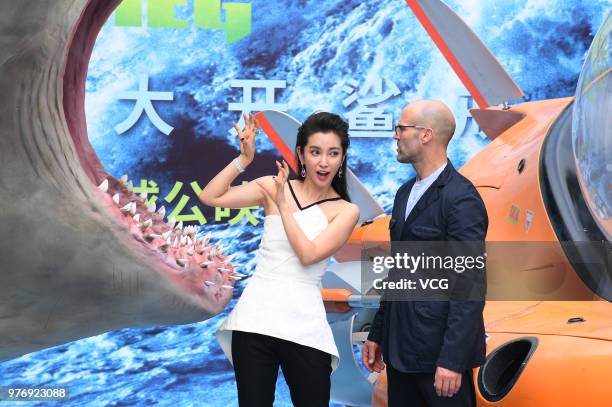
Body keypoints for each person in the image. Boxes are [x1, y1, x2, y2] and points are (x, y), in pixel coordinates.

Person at [200, 112, 360, 407]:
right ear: (300, 153)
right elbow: (211, 197)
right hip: (255, 320)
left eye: (332, 153)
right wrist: (243, 161)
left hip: (305, 326)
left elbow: (308, 254)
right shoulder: (272, 187)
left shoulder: (345, 211)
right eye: (315, 152)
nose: (323, 162)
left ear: (342, 158)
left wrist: (284, 206)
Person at [362, 100, 488, 407]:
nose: (396, 135)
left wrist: (453, 360)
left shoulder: (461, 199)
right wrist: (378, 333)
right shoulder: (405, 193)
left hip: (439, 361)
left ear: (426, 135)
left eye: (401, 128)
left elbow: (469, 284)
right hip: (400, 354)